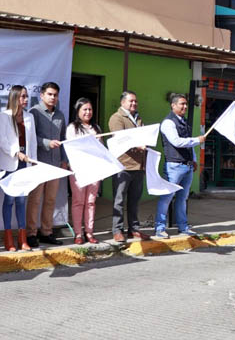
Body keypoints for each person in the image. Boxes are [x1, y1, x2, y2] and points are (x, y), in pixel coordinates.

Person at [154, 94, 204, 238]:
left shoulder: (184, 121)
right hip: (174, 166)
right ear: (173, 105)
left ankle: (183, 227)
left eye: (186, 104)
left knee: (183, 199)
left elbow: (189, 145)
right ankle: (160, 228)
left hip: (187, 166)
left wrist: (193, 159)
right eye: (182, 104)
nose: (185, 106)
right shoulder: (168, 123)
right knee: (166, 198)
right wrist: (197, 140)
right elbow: (176, 142)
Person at [0, 85, 37, 252]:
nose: (25, 100)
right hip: (10, 162)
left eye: (26, 97)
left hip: (25, 162)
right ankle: (8, 239)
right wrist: (16, 153)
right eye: (22, 97)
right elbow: (3, 141)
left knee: (21, 200)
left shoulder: (29, 117)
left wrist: (33, 160)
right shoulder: (4, 116)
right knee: (9, 200)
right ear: (14, 98)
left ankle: (22, 238)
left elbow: (32, 141)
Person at [27, 82, 67, 248]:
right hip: (38, 163)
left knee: (50, 200)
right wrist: (46, 143)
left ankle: (46, 232)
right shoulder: (34, 113)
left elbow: (63, 138)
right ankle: (30, 234)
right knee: (35, 199)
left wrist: (64, 159)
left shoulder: (60, 115)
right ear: (42, 95)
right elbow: (30, 138)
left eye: (55, 95)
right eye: (50, 94)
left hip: (55, 164)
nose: (53, 98)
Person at [108, 91, 148, 243]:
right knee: (119, 200)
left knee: (134, 200)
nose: (134, 104)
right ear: (122, 102)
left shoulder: (138, 118)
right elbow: (120, 139)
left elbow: (143, 135)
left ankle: (134, 229)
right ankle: (117, 230)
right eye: (131, 101)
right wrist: (138, 144)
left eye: (135, 101)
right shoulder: (116, 118)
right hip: (122, 165)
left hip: (138, 166)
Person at [68, 98, 101, 244]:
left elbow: (101, 151)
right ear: (78, 111)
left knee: (91, 202)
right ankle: (78, 234)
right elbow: (72, 149)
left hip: (94, 169)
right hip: (78, 169)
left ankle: (89, 232)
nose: (88, 112)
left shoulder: (97, 128)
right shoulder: (72, 128)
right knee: (78, 201)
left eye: (90, 109)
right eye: (84, 109)